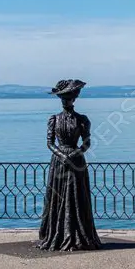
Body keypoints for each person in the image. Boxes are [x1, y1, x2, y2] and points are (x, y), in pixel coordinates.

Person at [35, 79, 102, 251]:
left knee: (76, 196)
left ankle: (77, 234)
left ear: (74, 98)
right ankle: (58, 233)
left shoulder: (82, 120)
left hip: (76, 161)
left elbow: (86, 144)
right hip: (59, 163)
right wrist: (61, 155)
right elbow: (49, 143)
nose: (66, 101)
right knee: (58, 197)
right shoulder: (54, 120)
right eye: (63, 98)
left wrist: (73, 154)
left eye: (69, 97)